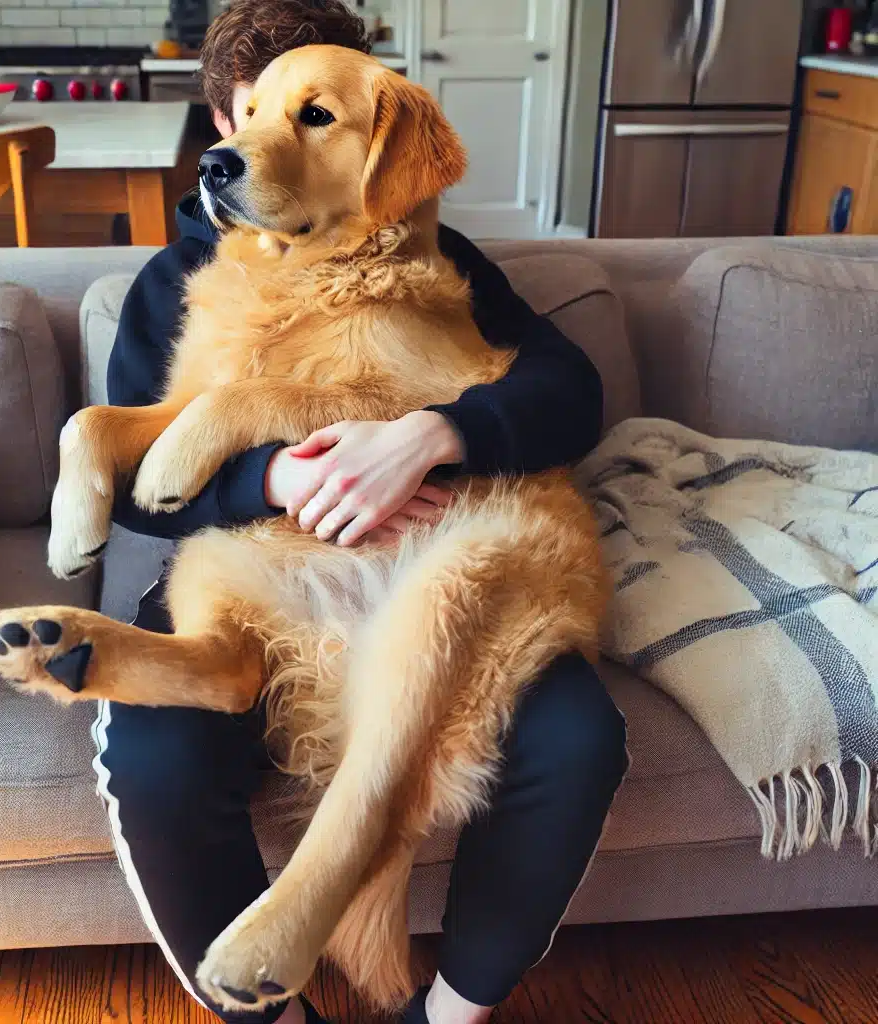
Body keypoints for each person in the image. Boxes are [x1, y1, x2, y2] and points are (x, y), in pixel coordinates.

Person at [94, 2, 628, 1022]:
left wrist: (436, 432)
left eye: (310, 116)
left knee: (578, 739)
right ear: (220, 123)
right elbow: (136, 491)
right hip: (258, 568)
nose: (260, 143)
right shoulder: (170, 282)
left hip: (438, 553)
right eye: (248, 113)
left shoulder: (438, 260)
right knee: (157, 757)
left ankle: (448, 1013)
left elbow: (569, 392)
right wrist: (274, 480)